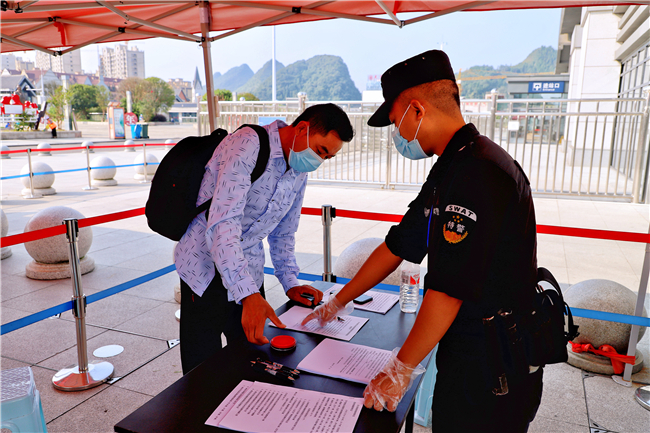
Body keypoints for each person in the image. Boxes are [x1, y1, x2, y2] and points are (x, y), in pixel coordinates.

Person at [302, 51, 542, 432]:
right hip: (465, 349)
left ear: (417, 110)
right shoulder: (451, 165)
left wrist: (400, 369)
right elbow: (398, 246)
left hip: (492, 363)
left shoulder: (478, 173)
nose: (398, 133)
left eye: (397, 121)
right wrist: (338, 301)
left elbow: (449, 289)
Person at [175, 103, 354, 374]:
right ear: (303, 128)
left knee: (251, 360)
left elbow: (284, 232)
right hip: (203, 270)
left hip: (248, 270)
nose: (318, 161)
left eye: (327, 157)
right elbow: (224, 224)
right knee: (202, 371)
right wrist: (247, 294)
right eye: (320, 151)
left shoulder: (298, 169)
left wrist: (290, 282)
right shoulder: (247, 143)